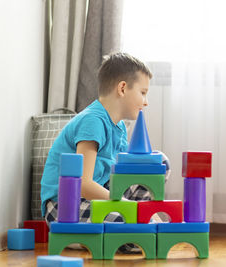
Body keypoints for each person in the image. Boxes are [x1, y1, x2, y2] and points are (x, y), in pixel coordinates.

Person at [40, 52, 170, 252]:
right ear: (123, 88)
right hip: (65, 206)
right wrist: (128, 206)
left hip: (96, 197)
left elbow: (122, 177)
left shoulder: (118, 128)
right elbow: (83, 185)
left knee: (159, 162)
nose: (146, 102)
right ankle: (102, 234)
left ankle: (133, 226)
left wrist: (142, 210)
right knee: (138, 232)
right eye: (143, 93)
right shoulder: (93, 121)